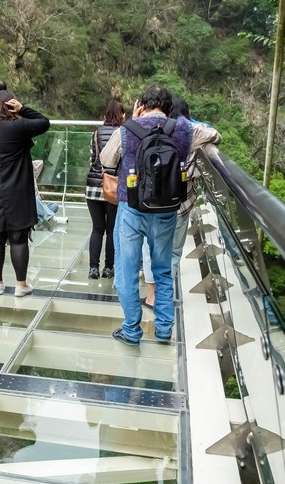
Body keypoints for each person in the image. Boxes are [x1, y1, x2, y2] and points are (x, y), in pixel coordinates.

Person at [100, 85, 191, 345]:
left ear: (142, 103)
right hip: (167, 209)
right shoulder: (182, 128)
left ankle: (131, 330)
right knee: (162, 270)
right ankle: (164, 330)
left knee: (126, 271)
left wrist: (135, 123)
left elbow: (106, 160)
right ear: (168, 106)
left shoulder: (127, 129)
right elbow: (202, 143)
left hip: (132, 208)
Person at [0, 90, 51, 297]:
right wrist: (23, 109)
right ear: (10, 105)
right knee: (18, 239)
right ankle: (20, 285)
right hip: (16, 193)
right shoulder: (18, 127)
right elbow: (44, 122)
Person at [168, 95, 221, 276]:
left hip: (154, 201)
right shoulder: (192, 131)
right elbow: (215, 135)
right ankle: (167, 293)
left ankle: (152, 288)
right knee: (174, 252)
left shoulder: (156, 128)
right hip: (181, 202)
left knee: (153, 247)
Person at [84, 98, 125, 279]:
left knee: (97, 229)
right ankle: (109, 268)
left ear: (105, 116)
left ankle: (93, 268)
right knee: (111, 230)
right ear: (122, 115)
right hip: (113, 187)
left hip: (93, 187)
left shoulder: (95, 134)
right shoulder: (122, 134)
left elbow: (92, 159)